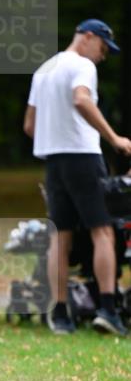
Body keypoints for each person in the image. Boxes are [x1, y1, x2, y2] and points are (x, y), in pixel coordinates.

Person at [24, 19, 131, 337]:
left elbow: (30, 125)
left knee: (61, 237)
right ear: (87, 37)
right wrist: (114, 139)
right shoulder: (82, 65)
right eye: (102, 48)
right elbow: (81, 99)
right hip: (83, 157)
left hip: (53, 160)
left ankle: (60, 315)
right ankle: (108, 310)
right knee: (103, 232)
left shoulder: (44, 70)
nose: (102, 56)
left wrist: (54, 133)